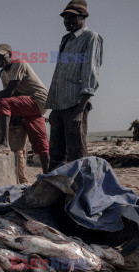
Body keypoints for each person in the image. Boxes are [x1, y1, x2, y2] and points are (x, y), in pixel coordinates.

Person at [0, 43, 50, 173]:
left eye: (1, 57)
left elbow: (7, 94)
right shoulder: (3, 73)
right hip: (27, 105)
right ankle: (47, 176)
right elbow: (14, 95)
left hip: (39, 100)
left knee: (3, 102)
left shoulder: (19, 63)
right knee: (41, 144)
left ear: (10, 55)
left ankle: (4, 143)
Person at [45, 0, 103, 171]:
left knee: (77, 153)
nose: (67, 21)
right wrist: (54, 110)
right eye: (65, 17)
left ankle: (80, 193)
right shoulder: (66, 40)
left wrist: (79, 111)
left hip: (75, 104)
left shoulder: (91, 37)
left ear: (83, 17)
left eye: (73, 17)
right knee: (55, 153)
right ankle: (55, 191)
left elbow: (90, 73)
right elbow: (60, 74)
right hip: (58, 104)